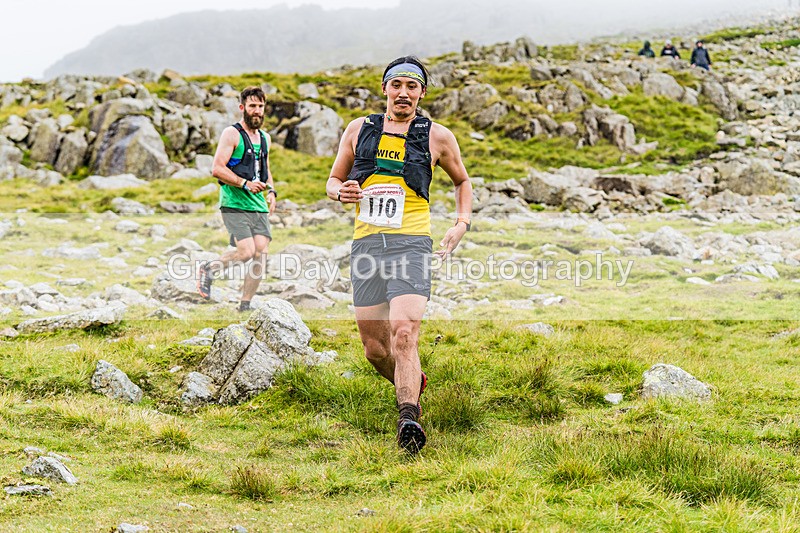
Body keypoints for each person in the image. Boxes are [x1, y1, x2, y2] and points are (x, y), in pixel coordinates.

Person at [326, 56, 473, 454]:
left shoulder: (437, 136)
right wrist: (341, 192)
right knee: (375, 349)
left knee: (404, 332)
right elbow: (333, 179)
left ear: (422, 93)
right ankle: (412, 382)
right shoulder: (359, 129)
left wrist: (461, 223)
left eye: (412, 86)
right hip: (367, 245)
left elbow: (462, 181)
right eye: (397, 85)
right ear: (385, 89)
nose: (403, 93)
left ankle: (408, 417)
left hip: (411, 243)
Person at [196, 86, 277, 312]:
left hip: (257, 205)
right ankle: (209, 269)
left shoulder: (265, 138)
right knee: (246, 252)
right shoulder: (231, 134)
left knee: (261, 254)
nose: (257, 111)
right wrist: (245, 184)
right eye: (252, 106)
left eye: (260, 106)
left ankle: (245, 304)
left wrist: (271, 191)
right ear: (242, 108)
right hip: (233, 203)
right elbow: (217, 169)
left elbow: (264, 170)